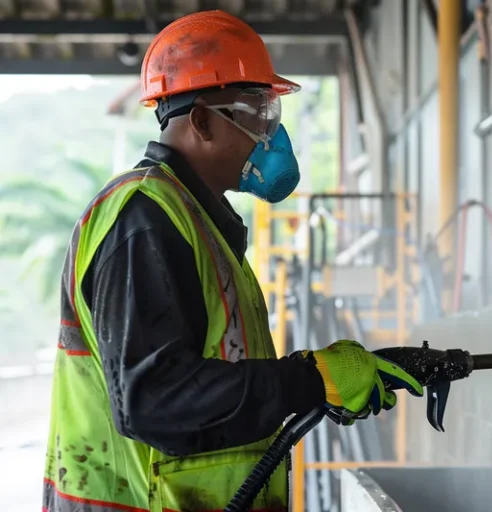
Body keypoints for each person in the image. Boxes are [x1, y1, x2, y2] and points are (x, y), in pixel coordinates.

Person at [43, 10, 423, 512]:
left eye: (272, 113)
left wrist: (315, 379)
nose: (272, 135)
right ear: (201, 120)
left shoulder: (198, 223)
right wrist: (311, 379)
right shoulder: (145, 220)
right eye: (258, 113)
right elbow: (155, 402)